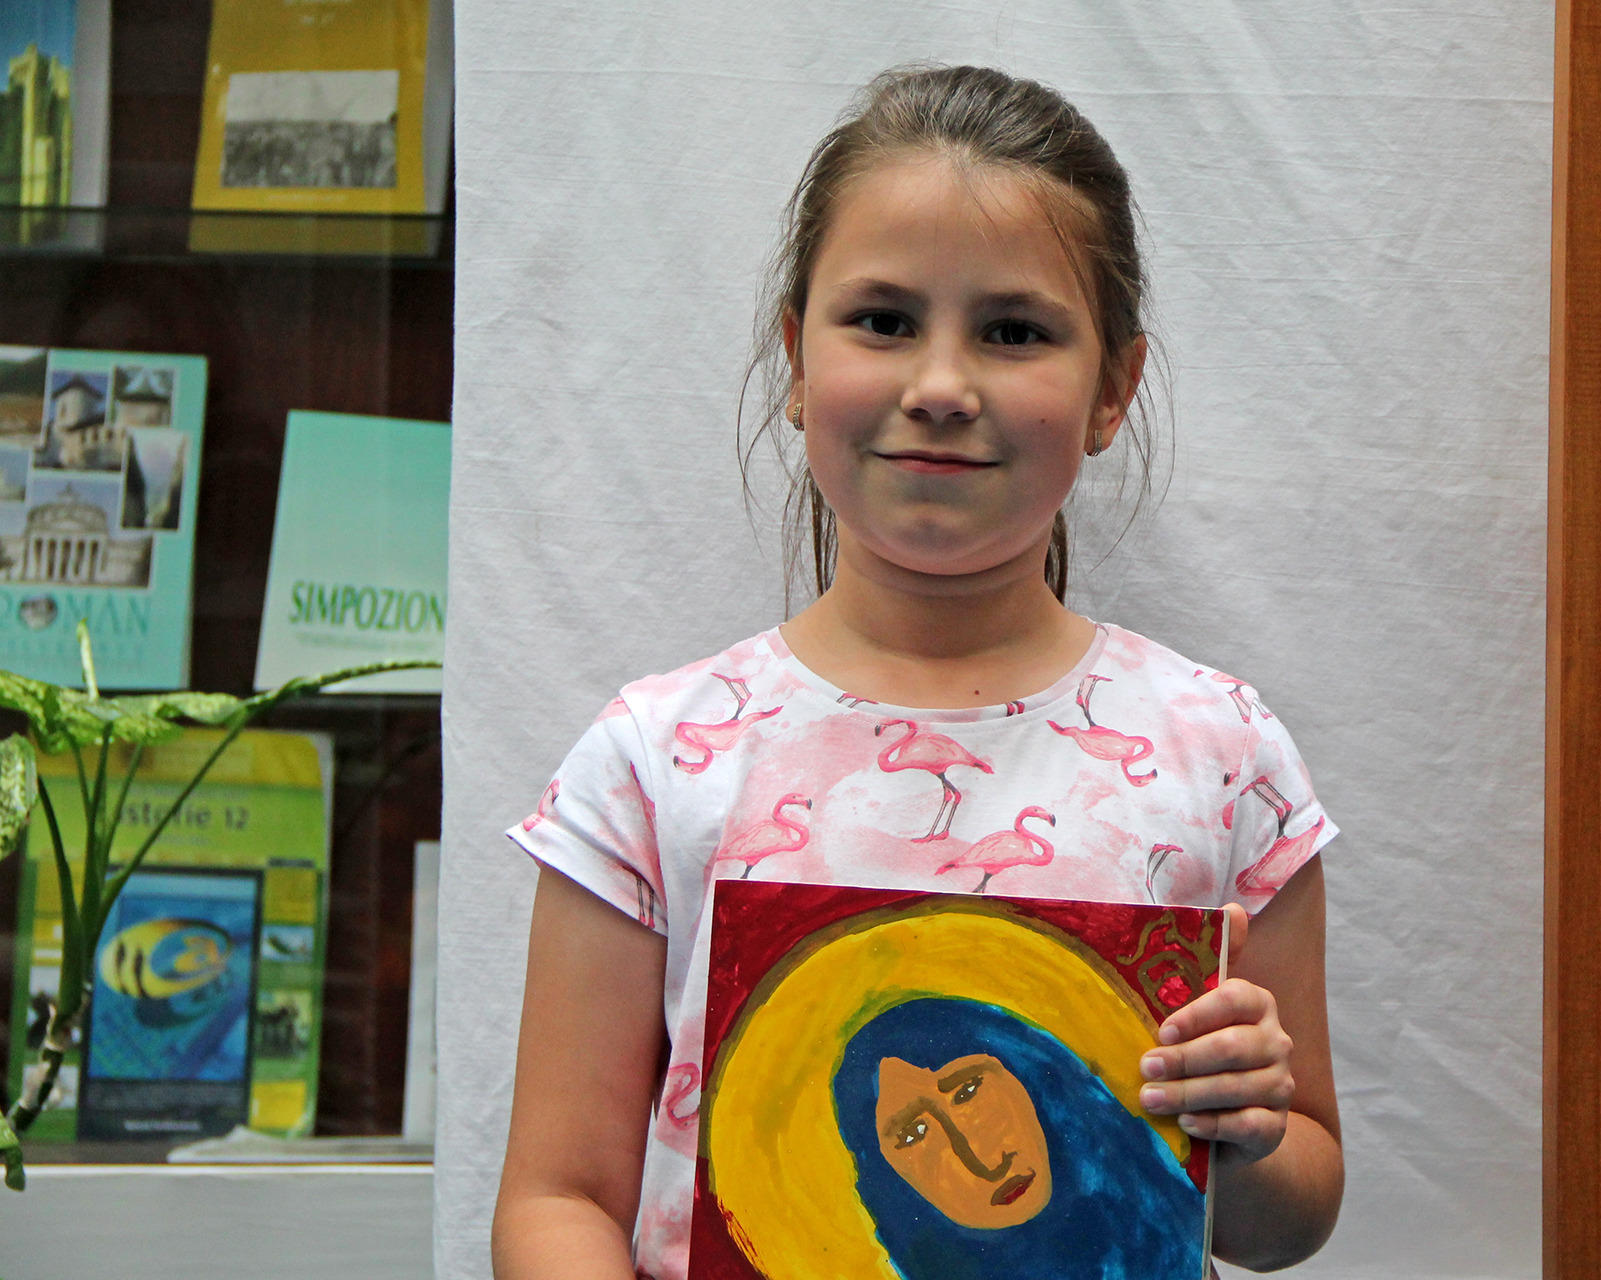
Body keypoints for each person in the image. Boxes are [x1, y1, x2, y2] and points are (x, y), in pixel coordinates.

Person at [493, 63, 1344, 1280]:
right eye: (884, 320)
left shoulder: (1225, 756)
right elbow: (556, 1195)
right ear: (795, 359)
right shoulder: (652, 761)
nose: (941, 387)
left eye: (1014, 331)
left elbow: (1293, 1213)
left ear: (1112, 389)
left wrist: (1246, 1131)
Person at [833, 997, 1207, 1280]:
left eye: (968, 1091)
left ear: (1030, 1077)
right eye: (916, 1133)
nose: (984, 1163)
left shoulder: (1174, 1231)